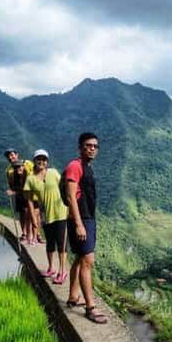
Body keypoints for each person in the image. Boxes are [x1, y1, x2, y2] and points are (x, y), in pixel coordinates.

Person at [64, 133, 106, 324]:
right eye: (88, 145)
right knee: (88, 261)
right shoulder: (75, 166)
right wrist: (79, 224)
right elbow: (71, 196)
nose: (92, 149)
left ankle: (73, 296)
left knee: (81, 259)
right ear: (80, 147)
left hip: (88, 218)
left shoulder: (88, 167)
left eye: (95, 146)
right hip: (80, 220)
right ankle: (90, 307)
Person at [24, 149, 68, 284]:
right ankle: (51, 268)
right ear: (34, 161)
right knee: (49, 243)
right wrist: (32, 217)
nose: (41, 161)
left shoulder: (53, 173)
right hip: (46, 215)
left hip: (61, 213)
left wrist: (71, 206)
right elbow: (29, 200)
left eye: (44, 159)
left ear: (47, 162)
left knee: (61, 244)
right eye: (39, 159)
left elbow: (65, 187)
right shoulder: (30, 179)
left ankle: (62, 271)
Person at [4, 148, 35, 244]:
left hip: (31, 192)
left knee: (34, 213)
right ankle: (25, 234)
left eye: (12, 155)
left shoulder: (28, 163)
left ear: (17, 155)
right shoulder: (8, 170)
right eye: (8, 156)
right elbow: (11, 183)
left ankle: (36, 235)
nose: (11, 157)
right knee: (23, 213)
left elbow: (35, 175)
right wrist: (12, 190)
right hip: (19, 194)